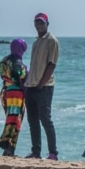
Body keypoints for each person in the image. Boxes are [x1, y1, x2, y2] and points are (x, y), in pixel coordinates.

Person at [24, 12, 60, 160]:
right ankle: (36, 151)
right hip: (31, 85)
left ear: (47, 24)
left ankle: (53, 152)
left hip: (45, 86)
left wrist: (41, 84)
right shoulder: (36, 42)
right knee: (32, 120)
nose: (39, 25)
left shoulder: (52, 41)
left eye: (41, 23)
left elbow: (52, 64)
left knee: (45, 119)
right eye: (37, 22)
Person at [0, 38, 28, 157]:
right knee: (16, 120)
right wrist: (21, 85)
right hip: (16, 93)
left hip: (6, 91)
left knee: (11, 118)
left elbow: (5, 74)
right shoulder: (17, 61)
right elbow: (16, 73)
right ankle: (8, 146)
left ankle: (7, 146)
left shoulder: (4, 60)